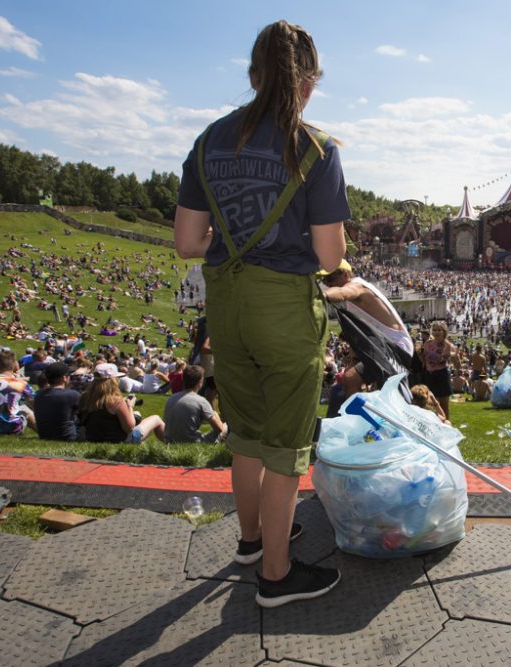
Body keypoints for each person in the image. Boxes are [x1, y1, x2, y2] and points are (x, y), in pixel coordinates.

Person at [174, 19, 347, 608]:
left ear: (253, 76)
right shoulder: (315, 148)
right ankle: (275, 575)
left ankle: (251, 540)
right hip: (284, 308)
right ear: (309, 81)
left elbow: (186, 242)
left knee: (244, 433)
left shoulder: (208, 140)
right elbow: (330, 254)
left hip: (226, 301)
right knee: (286, 447)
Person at [320, 260, 413, 401]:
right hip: (382, 345)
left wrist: (321, 296)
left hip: (395, 346)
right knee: (353, 379)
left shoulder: (357, 287)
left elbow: (342, 293)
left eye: (330, 279)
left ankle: (361, 419)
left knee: (351, 379)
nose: (327, 283)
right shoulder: (358, 288)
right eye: (324, 281)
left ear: (345, 275)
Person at [78, 363, 165, 444]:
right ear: (113, 381)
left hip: (93, 437)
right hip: (119, 439)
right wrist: (130, 406)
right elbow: (129, 428)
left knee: (137, 414)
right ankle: (172, 443)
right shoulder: (116, 400)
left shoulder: (85, 397)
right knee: (156, 418)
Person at [163, 364, 227, 443]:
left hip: (170, 442)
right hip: (193, 443)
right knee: (226, 426)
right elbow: (219, 429)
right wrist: (215, 414)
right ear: (200, 382)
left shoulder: (171, 399)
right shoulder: (201, 401)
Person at [34, 362, 80, 441]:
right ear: (64, 378)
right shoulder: (72, 395)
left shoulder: (38, 395)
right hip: (68, 437)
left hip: (45, 436)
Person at [421, 321, 455, 420]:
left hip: (442, 374)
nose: (436, 332)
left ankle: (447, 424)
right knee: (429, 403)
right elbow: (424, 359)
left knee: (444, 404)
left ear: (444, 331)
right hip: (429, 374)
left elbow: (442, 360)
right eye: (434, 330)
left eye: (439, 330)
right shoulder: (428, 343)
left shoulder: (447, 345)